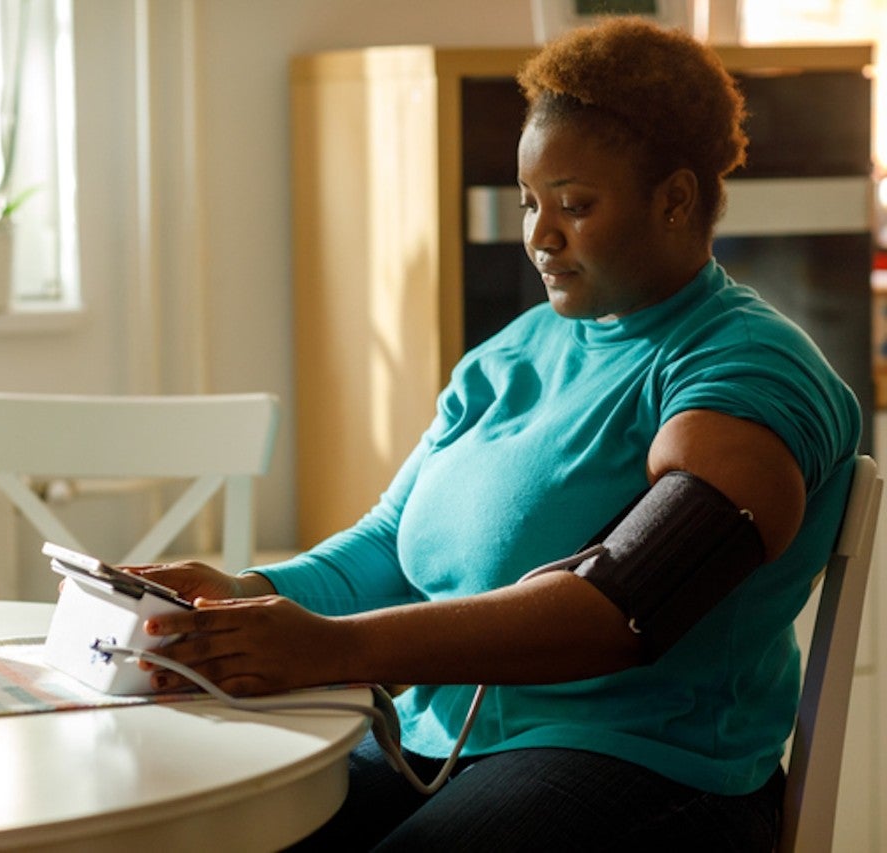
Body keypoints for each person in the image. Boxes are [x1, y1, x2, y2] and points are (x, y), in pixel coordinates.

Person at [128, 16, 862, 851]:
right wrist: (243, 592)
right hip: (438, 746)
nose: (540, 236)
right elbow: (387, 548)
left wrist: (333, 648)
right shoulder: (508, 357)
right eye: (529, 203)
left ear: (676, 198)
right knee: (207, 830)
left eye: (575, 206)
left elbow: (626, 605)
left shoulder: (747, 365)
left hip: (650, 768)